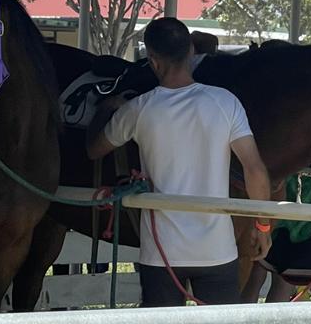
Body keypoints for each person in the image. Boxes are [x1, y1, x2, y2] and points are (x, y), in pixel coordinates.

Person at [88, 17, 272, 306]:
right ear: (190, 52)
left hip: (161, 255)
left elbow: (94, 150)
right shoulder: (225, 103)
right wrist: (262, 227)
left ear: (153, 60)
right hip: (216, 251)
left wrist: (108, 109)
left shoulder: (138, 109)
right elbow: (255, 170)